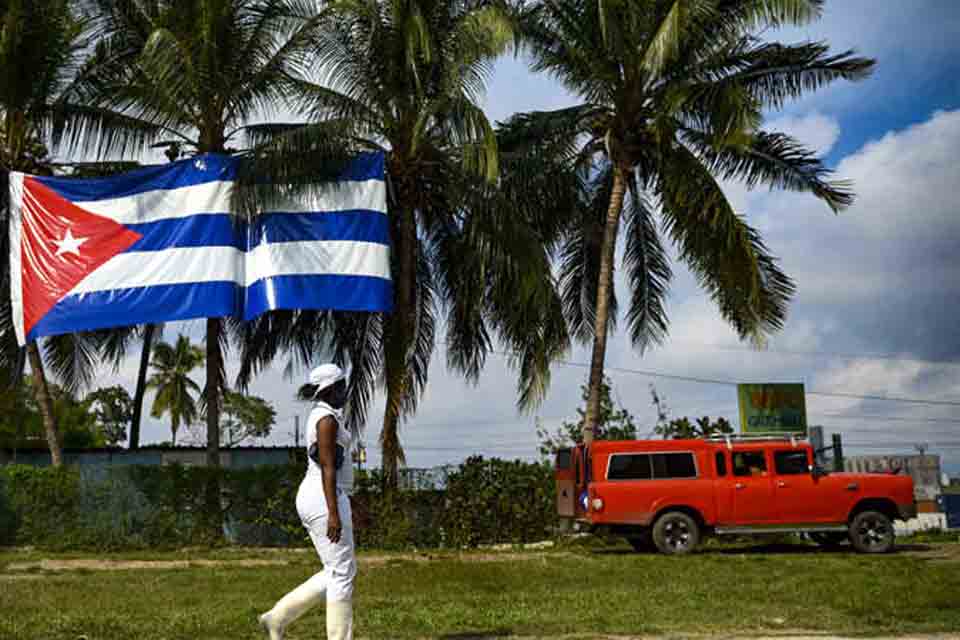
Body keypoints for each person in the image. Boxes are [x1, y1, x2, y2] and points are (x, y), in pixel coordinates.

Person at [259, 364, 356, 640]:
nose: (346, 391)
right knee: (341, 574)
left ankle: (277, 618)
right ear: (330, 389)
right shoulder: (326, 420)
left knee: (337, 570)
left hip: (321, 495)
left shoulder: (321, 415)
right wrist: (334, 512)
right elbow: (327, 466)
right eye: (342, 386)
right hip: (324, 497)